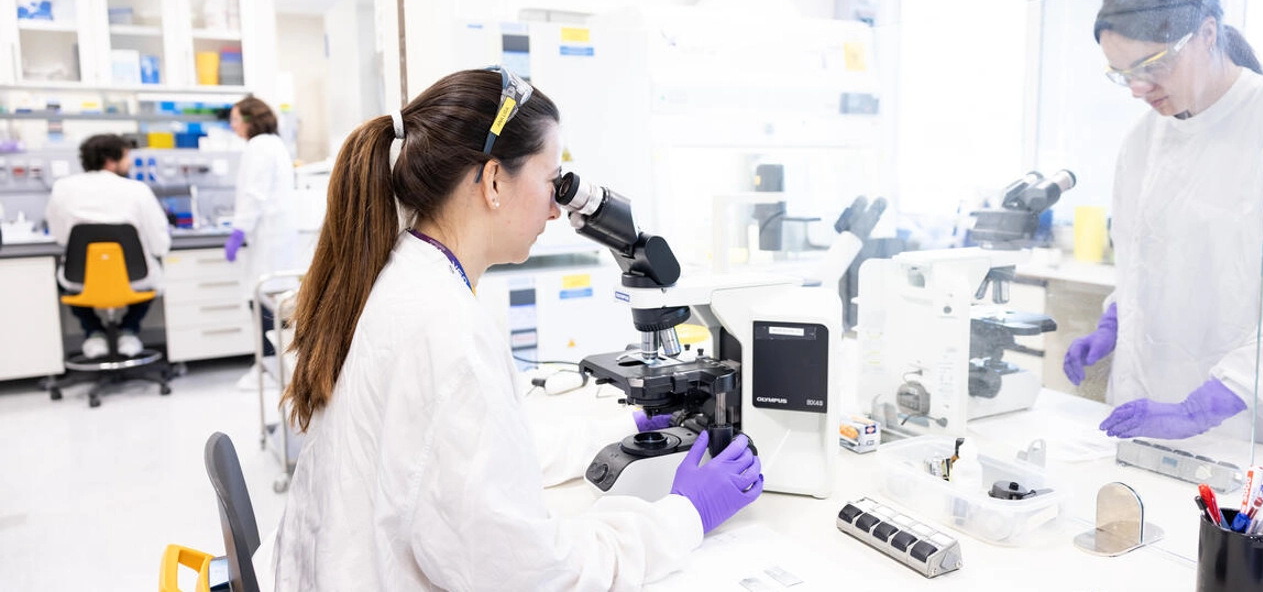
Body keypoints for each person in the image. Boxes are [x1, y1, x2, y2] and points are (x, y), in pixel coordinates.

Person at [270, 68, 764, 590]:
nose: (557, 208)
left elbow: (458, 457)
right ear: (493, 182)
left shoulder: (405, 276)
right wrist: (684, 515)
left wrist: (605, 438)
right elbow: (532, 574)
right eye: (552, 181)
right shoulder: (447, 330)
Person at [1066, 0, 1263, 456]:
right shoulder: (1143, 140)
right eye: (1123, 75)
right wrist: (1114, 321)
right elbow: (1140, 262)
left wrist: (1198, 410)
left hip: (1247, 428)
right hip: (1142, 409)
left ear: (1207, 34)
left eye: (1152, 66)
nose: (1139, 89)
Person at [45, 133, 170, 358]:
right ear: (111, 161)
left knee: (64, 280)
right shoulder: (136, 190)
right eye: (126, 156)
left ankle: (93, 332)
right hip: (135, 278)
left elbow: (60, 237)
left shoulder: (63, 188)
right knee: (156, 278)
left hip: (81, 278)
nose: (130, 162)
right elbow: (160, 244)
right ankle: (129, 330)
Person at [223, 96, 297, 389]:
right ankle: (273, 366)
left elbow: (253, 195)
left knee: (265, 302)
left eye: (236, 120)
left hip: (268, 237)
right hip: (275, 236)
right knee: (271, 302)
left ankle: (269, 369)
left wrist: (238, 231)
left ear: (250, 120)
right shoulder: (275, 144)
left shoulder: (259, 146)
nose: (233, 126)